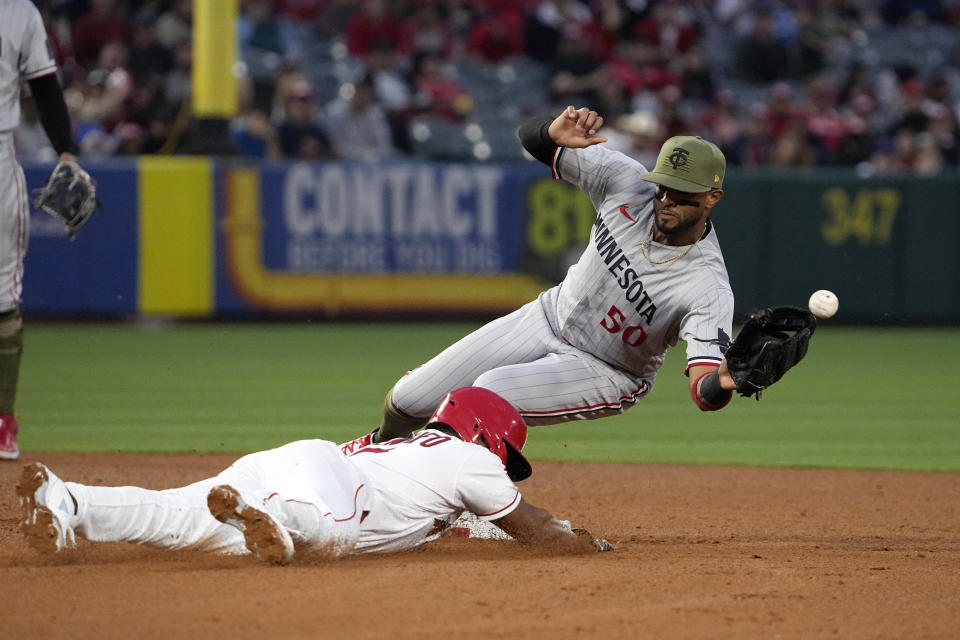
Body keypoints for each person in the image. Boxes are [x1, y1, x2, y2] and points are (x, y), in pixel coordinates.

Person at [343, 105, 738, 453]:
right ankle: (376, 451)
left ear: (711, 198)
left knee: (484, 396)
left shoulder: (706, 285)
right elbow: (533, 140)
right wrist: (551, 133)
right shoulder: (629, 184)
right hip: (547, 316)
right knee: (409, 399)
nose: (667, 199)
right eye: (663, 187)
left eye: (682, 193)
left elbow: (704, 391)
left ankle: (455, 504)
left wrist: (727, 379)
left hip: (608, 369)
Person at [17, 387, 611, 565]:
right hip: (327, 486)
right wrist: (583, 541)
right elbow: (529, 528)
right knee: (332, 533)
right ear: (485, 436)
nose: (503, 468)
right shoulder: (471, 461)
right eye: (504, 455)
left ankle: (66, 500)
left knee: (175, 516)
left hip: (291, 464)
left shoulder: (409, 452)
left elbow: (470, 528)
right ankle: (273, 519)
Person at [1, 0, 89, 460]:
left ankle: (3, 421)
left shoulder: (19, 12)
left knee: (2, 299)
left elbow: (45, 88)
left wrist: (66, 151)